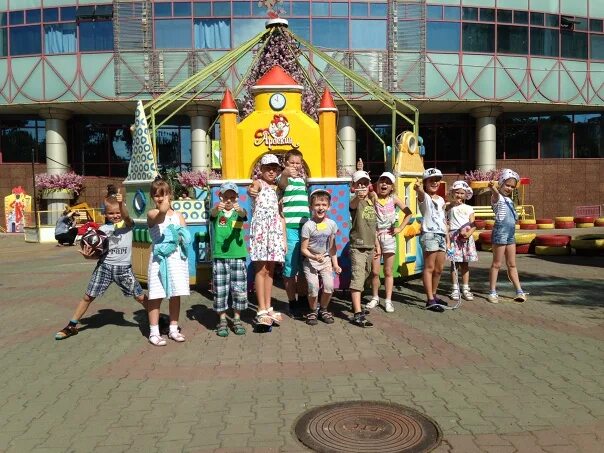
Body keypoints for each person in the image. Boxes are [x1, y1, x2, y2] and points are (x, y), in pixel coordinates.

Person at [54, 188, 147, 339]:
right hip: (104, 267)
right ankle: (71, 325)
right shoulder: (102, 230)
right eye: (111, 213)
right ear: (105, 214)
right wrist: (88, 257)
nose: (115, 215)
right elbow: (100, 254)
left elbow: (126, 216)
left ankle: (156, 319)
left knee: (140, 297)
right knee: (88, 297)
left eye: (118, 212)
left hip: (123, 269)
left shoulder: (128, 225)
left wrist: (120, 203)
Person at [147, 177, 190, 346]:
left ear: (170, 195)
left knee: (175, 294)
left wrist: (182, 237)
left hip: (176, 259)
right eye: (156, 195)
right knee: (156, 295)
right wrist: (163, 210)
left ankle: (173, 328)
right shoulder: (152, 213)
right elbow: (157, 219)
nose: (160, 198)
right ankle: (154, 332)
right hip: (159, 260)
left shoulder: (179, 215)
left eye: (163, 194)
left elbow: (185, 236)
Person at [248, 154, 287, 330]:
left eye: (274, 168)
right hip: (261, 232)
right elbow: (252, 189)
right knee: (261, 269)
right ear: (261, 169)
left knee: (270, 270)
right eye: (267, 168)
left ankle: (268, 307)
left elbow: (281, 215)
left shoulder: (278, 189)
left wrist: (283, 239)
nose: (271, 171)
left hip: (275, 231)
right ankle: (261, 309)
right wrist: (251, 190)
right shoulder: (259, 183)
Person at [367, 172, 412, 313]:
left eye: (388, 182)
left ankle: (388, 300)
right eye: (382, 181)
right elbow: (367, 189)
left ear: (392, 186)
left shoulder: (394, 199)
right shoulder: (373, 197)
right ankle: (375, 297)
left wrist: (400, 228)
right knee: (375, 271)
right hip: (374, 236)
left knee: (388, 271)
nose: (384, 184)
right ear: (377, 183)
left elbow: (408, 212)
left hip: (389, 236)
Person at [210, 181, 248, 337]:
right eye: (226, 197)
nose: (229, 200)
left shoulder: (238, 212)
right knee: (220, 290)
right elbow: (212, 214)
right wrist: (216, 208)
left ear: (237, 198)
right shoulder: (217, 212)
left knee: (239, 289)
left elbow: (244, 215)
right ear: (221, 196)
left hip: (237, 256)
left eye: (232, 197)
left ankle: (237, 319)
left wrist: (240, 210)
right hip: (220, 257)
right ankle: (222, 320)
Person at [300, 189, 342, 325]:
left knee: (329, 287)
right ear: (311, 207)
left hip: (325, 260)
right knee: (313, 287)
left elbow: (332, 248)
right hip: (310, 261)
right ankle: (313, 310)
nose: (321, 207)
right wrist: (313, 256)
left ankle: (323, 309)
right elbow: (303, 249)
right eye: (317, 205)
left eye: (324, 205)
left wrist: (335, 265)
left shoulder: (331, 224)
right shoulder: (308, 226)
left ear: (329, 206)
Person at [277, 150, 310, 317]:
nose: (295, 166)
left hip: (306, 229)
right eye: (292, 163)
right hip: (290, 228)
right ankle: (292, 302)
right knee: (290, 267)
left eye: (298, 163)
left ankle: (303, 299)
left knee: (305, 267)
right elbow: (281, 184)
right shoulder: (284, 178)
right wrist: (285, 173)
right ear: (286, 163)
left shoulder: (304, 180)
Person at [487, 169, 527, 303]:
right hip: (500, 233)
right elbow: (495, 194)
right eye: (507, 185)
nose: (509, 188)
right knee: (497, 264)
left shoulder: (510, 201)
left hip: (510, 234)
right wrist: (493, 187)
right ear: (501, 183)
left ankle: (519, 291)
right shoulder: (497, 198)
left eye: (512, 186)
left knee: (512, 264)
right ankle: (492, 292)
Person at [414, 168, 450, 313]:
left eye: (437, 180)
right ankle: (429, 300)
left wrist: (448, 239)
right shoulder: (424, 197)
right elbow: (421, 194)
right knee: (429, 267)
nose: (435, 183)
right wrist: (419, 189)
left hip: (441, 235)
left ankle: (434, 295)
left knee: (439, 269)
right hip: (429, 234)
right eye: (431, 180)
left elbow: (443, 220)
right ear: (425, 182)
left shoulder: (441, 199)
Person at [348, 169, 377, 327]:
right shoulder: (354, 200)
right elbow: (352, 205)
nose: (362, 186)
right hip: (358, 246)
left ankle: (356, 305)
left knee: (366, 275)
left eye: (365, 183)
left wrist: (377, 244)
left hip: (370, 245)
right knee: (357, 278)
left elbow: (373, 226)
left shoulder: (371, 201)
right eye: (359, 184)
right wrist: (357, 197)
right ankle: (357, 314)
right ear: (353, 186)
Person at [446, 181, 478, 301]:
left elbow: (473, 224)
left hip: (466, 238)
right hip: (454, 237)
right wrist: (452, 202)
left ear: (466, 195)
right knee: (454, 264)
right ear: (452, 193)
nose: (459, 195)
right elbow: (444, 211)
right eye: (457, 193)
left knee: (465, 264)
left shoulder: (469, 208)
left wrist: (468, 234)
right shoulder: (449, 206)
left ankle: (465, 288)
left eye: (462, 193)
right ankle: (455, 288)